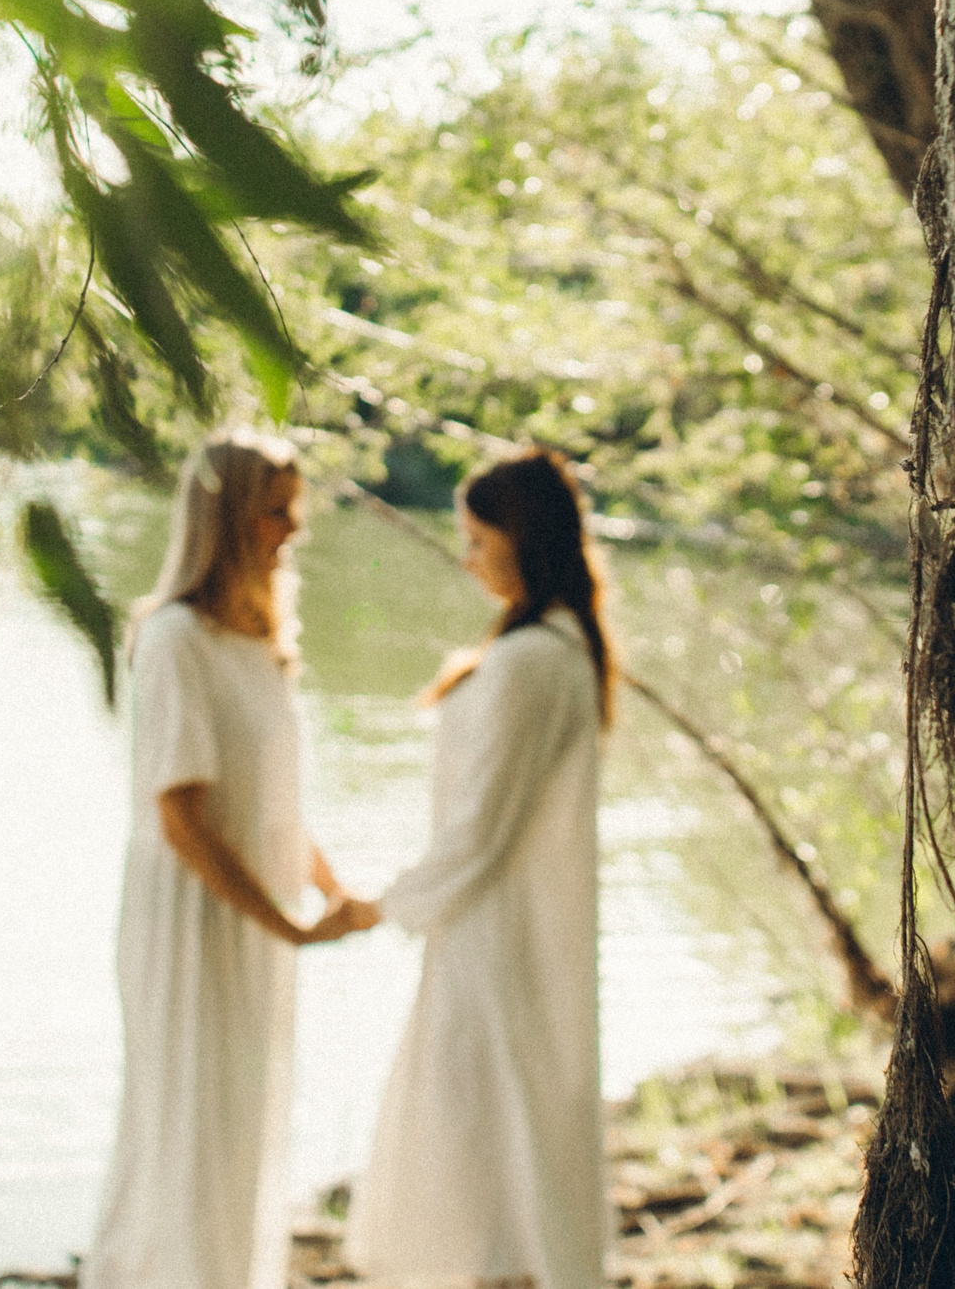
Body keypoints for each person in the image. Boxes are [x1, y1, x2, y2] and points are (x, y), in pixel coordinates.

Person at [86, 431, 379, 1289]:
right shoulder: (175, 637)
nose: (294, 528)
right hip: (193, 921)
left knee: (244, 1127)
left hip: (254, 918)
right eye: (275, 510)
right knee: (186, 1128)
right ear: (226, 517)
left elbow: (274, 805)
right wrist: (287, 923)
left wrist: (331, 888)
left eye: (294, 509)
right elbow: (182, 818)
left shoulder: (263, 642)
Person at [348, 449, 615, 1289]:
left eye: (476, 540)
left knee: (481, 1161)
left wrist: (378, 906)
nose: (466, 559)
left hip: (494, 943)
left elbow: (479, 833)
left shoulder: (533, 660)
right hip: (501, 935)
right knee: (498, 1154)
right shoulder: (551, 647)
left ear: (521, 539)